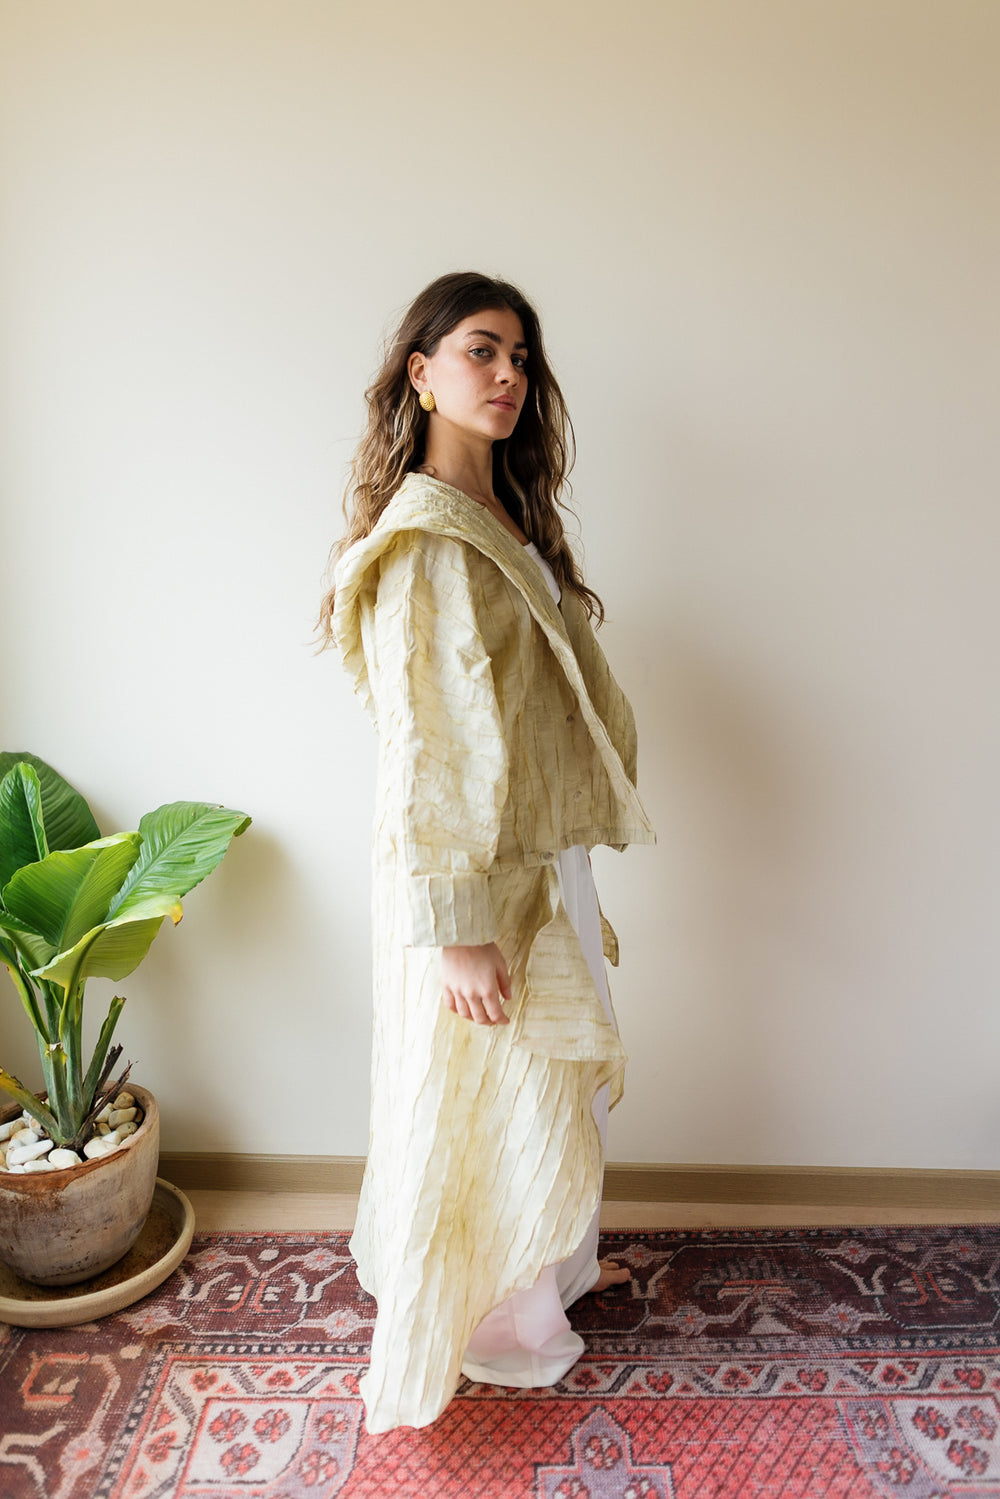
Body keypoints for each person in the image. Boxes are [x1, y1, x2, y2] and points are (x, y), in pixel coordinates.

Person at [319, 271, 654, 1434]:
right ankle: (493, 1318)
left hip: (533, 858)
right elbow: (430, 743)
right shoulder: (425, 539)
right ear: (421, 373)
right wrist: (456, 928)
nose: (508, 374)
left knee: (538, 1083)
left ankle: (541, 1272)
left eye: (520, 356)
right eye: (481, 350)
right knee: (483, 1086)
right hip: (463, 875)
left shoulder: (501, 515)